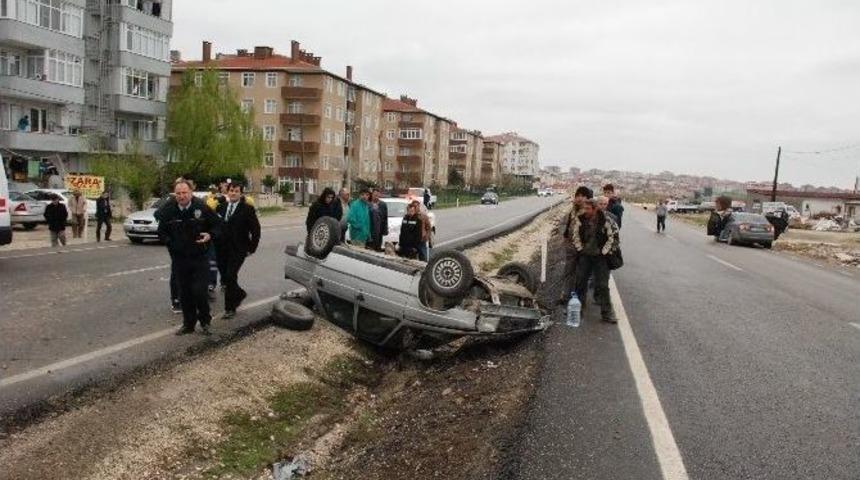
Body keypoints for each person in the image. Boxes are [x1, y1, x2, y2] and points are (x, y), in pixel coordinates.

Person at [157, 179, 222, 335]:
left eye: (184, 192)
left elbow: (218, 225)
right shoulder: (169, 210)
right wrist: (170, 243)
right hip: (180, 259)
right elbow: (161, 232)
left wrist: (210, 235)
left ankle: (205, 321)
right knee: (184, 293)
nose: (181, 196)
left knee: (199, 291)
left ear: (191, 192)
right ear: (175, 194)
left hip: (200, 257)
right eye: (178, 193)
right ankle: (188, 324)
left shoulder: (201, 207)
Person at [216, 183, 261, 318]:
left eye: (236, 191)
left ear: (241, 194)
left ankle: (230, 309)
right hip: (222, 248)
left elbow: (256, 230)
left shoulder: (247, 209)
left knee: (230, 275)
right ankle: (239, 293)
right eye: (231, 191)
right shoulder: (221, 207)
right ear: (228, 192)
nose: (233, 193)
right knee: (225, 277)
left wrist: (252, 248)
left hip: (239, 249)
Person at [571, 198, 619, 324]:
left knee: (602, 285)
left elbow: (613, 236)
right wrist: (580, 249)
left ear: (595, 208)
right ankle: (578, 310)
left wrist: (604, 252)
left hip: (600, 258)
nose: (585, 211)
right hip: (585, 256)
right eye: (584, 208)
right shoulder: (580, 219)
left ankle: (607, 313)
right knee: (580, 283)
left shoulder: (605, 220)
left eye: (588, 208)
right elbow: (575, 235)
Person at [560, 186, 593, 303]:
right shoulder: (573, 210)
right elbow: (569, 225)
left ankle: (579, 300)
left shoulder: (589, 212)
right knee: (568, 271)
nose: (579, 198)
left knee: (581, 275)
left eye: (582, 196)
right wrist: (565, 237)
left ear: (587, 198)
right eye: (577, 195)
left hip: (583, 248)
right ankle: (565, 296)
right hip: (570, 246)